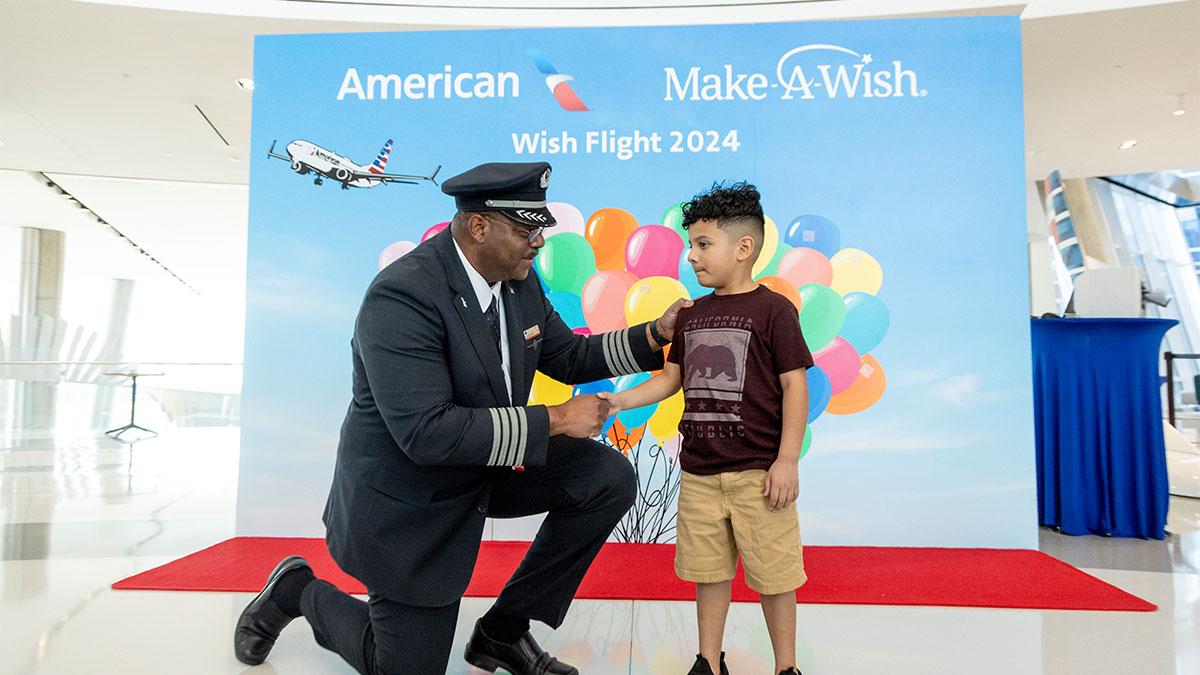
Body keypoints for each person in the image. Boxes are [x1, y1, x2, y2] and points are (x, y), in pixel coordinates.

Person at [233, 161, 690, 674]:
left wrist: (655, 334)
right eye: (525, 229)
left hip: (484, 466)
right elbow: (427, 434)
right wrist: (557, 420)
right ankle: (298, 591)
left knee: (604, 477)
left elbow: (568, 357)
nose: (538, 241)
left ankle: (502, 632)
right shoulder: (402, 296)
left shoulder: (519, 282)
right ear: (479, 227)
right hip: (412, 498)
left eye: (540, 228)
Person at [600, 182, 811, 675]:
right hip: (698, 474)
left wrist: (786, 460)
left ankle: (786, 666)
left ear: (744, 248)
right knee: (707, 571)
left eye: (702, 244)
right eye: (689, 245)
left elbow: (794, 387)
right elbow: (670, 380)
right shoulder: (691, 315)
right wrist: (616, 401)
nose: (691, 256)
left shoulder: (775, 310)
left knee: (775, 574)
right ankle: (707, 660)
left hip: (758, 475)